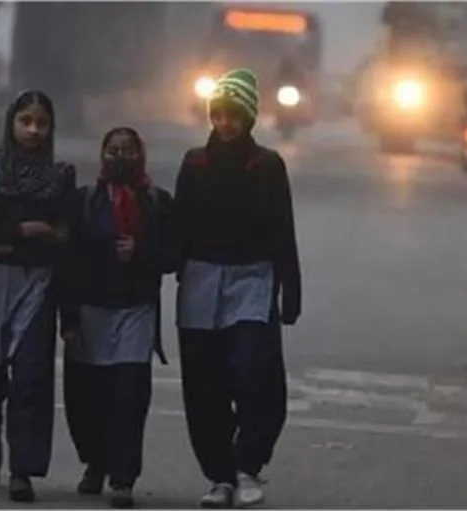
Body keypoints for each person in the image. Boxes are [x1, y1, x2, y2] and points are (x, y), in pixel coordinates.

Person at [172, 69, 301, 509]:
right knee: (203, 383)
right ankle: (219, 475)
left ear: (249, 117)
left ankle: (248, 463)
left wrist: (290, 290)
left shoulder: (267, 165)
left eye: (232, 115)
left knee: (255, 374)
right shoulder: (194, 164)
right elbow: (178, 225)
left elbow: (283, 231)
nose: (224, 123)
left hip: (253, 280)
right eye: (218, 115)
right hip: (200, 280)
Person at [0, 90, 76, 503]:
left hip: (37, 284)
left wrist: (11, 239)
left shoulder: (61, 176)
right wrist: (22, 231)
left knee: (31, 376)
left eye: (41, 123)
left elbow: (64, 236)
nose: (33, 130)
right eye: (26, 121)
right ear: (11, 123)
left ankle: (22, 469)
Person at [58, 127, 178, 509]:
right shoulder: (83, 202)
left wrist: (140, 251)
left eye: (128, 151)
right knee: (85, 398)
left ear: (140, 155)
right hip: (89, 311)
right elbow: (67, 261)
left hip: (135, 312)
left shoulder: (157, 203)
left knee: (128, 395)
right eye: (113, 150)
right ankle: (95, 462)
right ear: (102, 155)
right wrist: (68, 318)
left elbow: (174, 256)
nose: (120, 158)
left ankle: (123, 477)